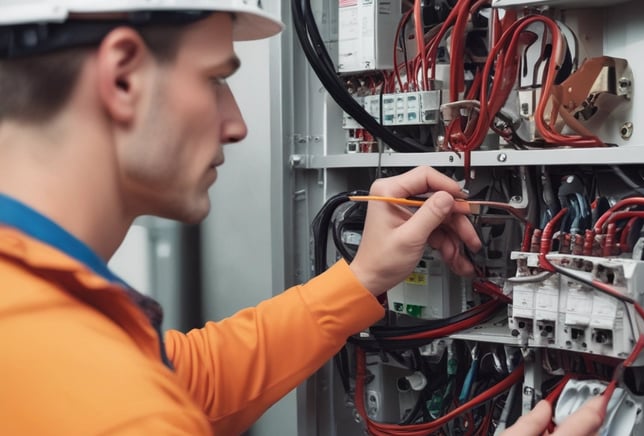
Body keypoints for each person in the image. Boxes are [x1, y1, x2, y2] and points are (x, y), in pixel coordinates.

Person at [0, 2, 604, 434]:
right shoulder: (110, 407)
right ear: (123, 75)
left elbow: (188, 383)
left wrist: (360, 279)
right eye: (215, 80)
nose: (236, 123)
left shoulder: (40, 320)